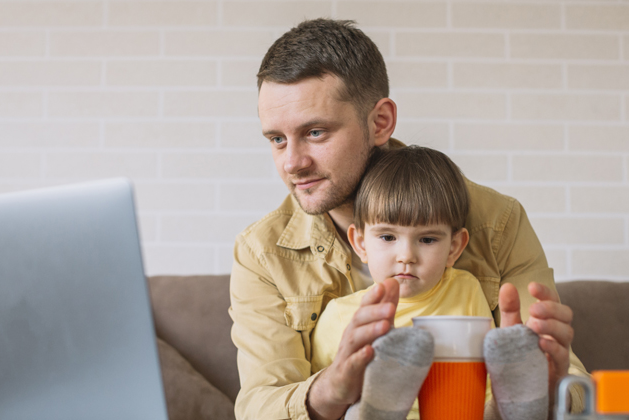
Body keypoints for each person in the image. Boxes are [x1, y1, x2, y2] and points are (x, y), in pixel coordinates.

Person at [229, 18, 588, 420]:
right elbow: (259, 405)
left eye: (315, 132)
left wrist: (546, 389)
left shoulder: (496, 221)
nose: (292, 162)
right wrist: (334, 386)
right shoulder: (262, 253)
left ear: (379, 122)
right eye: (276, 139)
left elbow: (566, 378)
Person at [310, 145, 495, 419]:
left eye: (427, 239)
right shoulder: (340, 315)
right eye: (387, 237)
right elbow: (323, 403)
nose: (407, 256)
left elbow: (484, 381)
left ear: (454, 248)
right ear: (360, 244)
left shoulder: (466, 290)